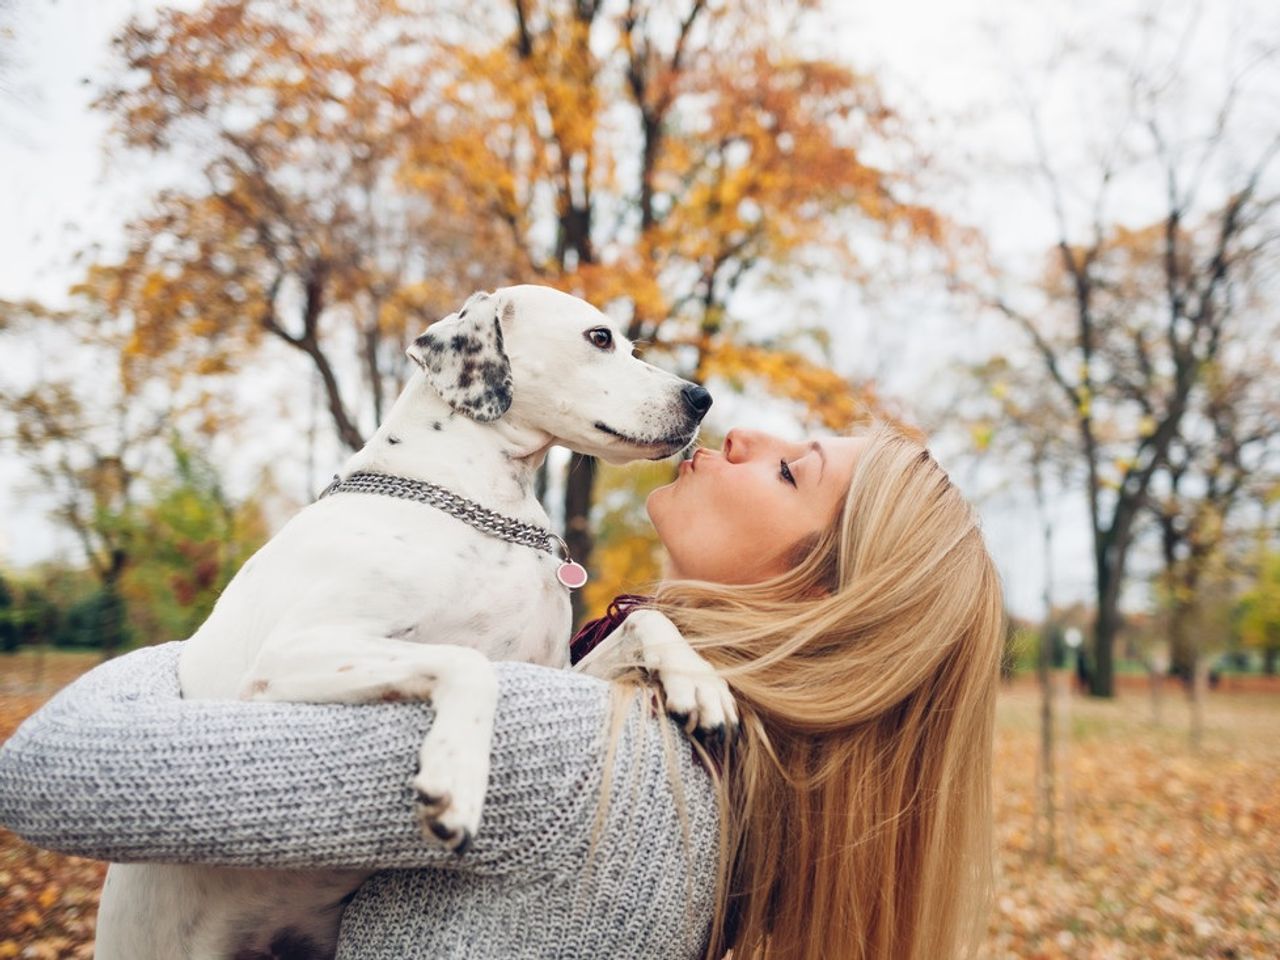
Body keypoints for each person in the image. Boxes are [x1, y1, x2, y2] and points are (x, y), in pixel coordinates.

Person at [0, 421, 1004, 960]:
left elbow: (51, 775)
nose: (743, 435)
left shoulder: (578, 755)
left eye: (792, 473)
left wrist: (221, 640)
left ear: (815, 598)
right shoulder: (731, 809)